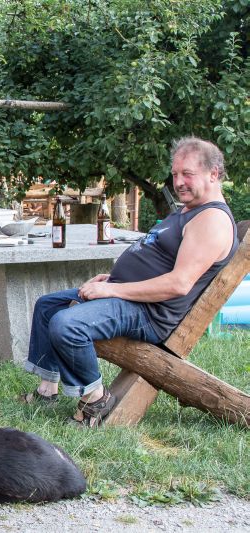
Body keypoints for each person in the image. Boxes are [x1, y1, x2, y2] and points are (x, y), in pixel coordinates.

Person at [21, 136, 238, 427]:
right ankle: (48, 389)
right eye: (175, 174)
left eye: (187, 173)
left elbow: (178, 284)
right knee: (48, 306)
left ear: (214, 173)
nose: (178, 181)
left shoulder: (211, 220)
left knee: (67, 323)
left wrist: (111, 289)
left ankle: (95, 400)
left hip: (150, 313)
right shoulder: (189, 210)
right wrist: (115, 279)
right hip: (129, 297)